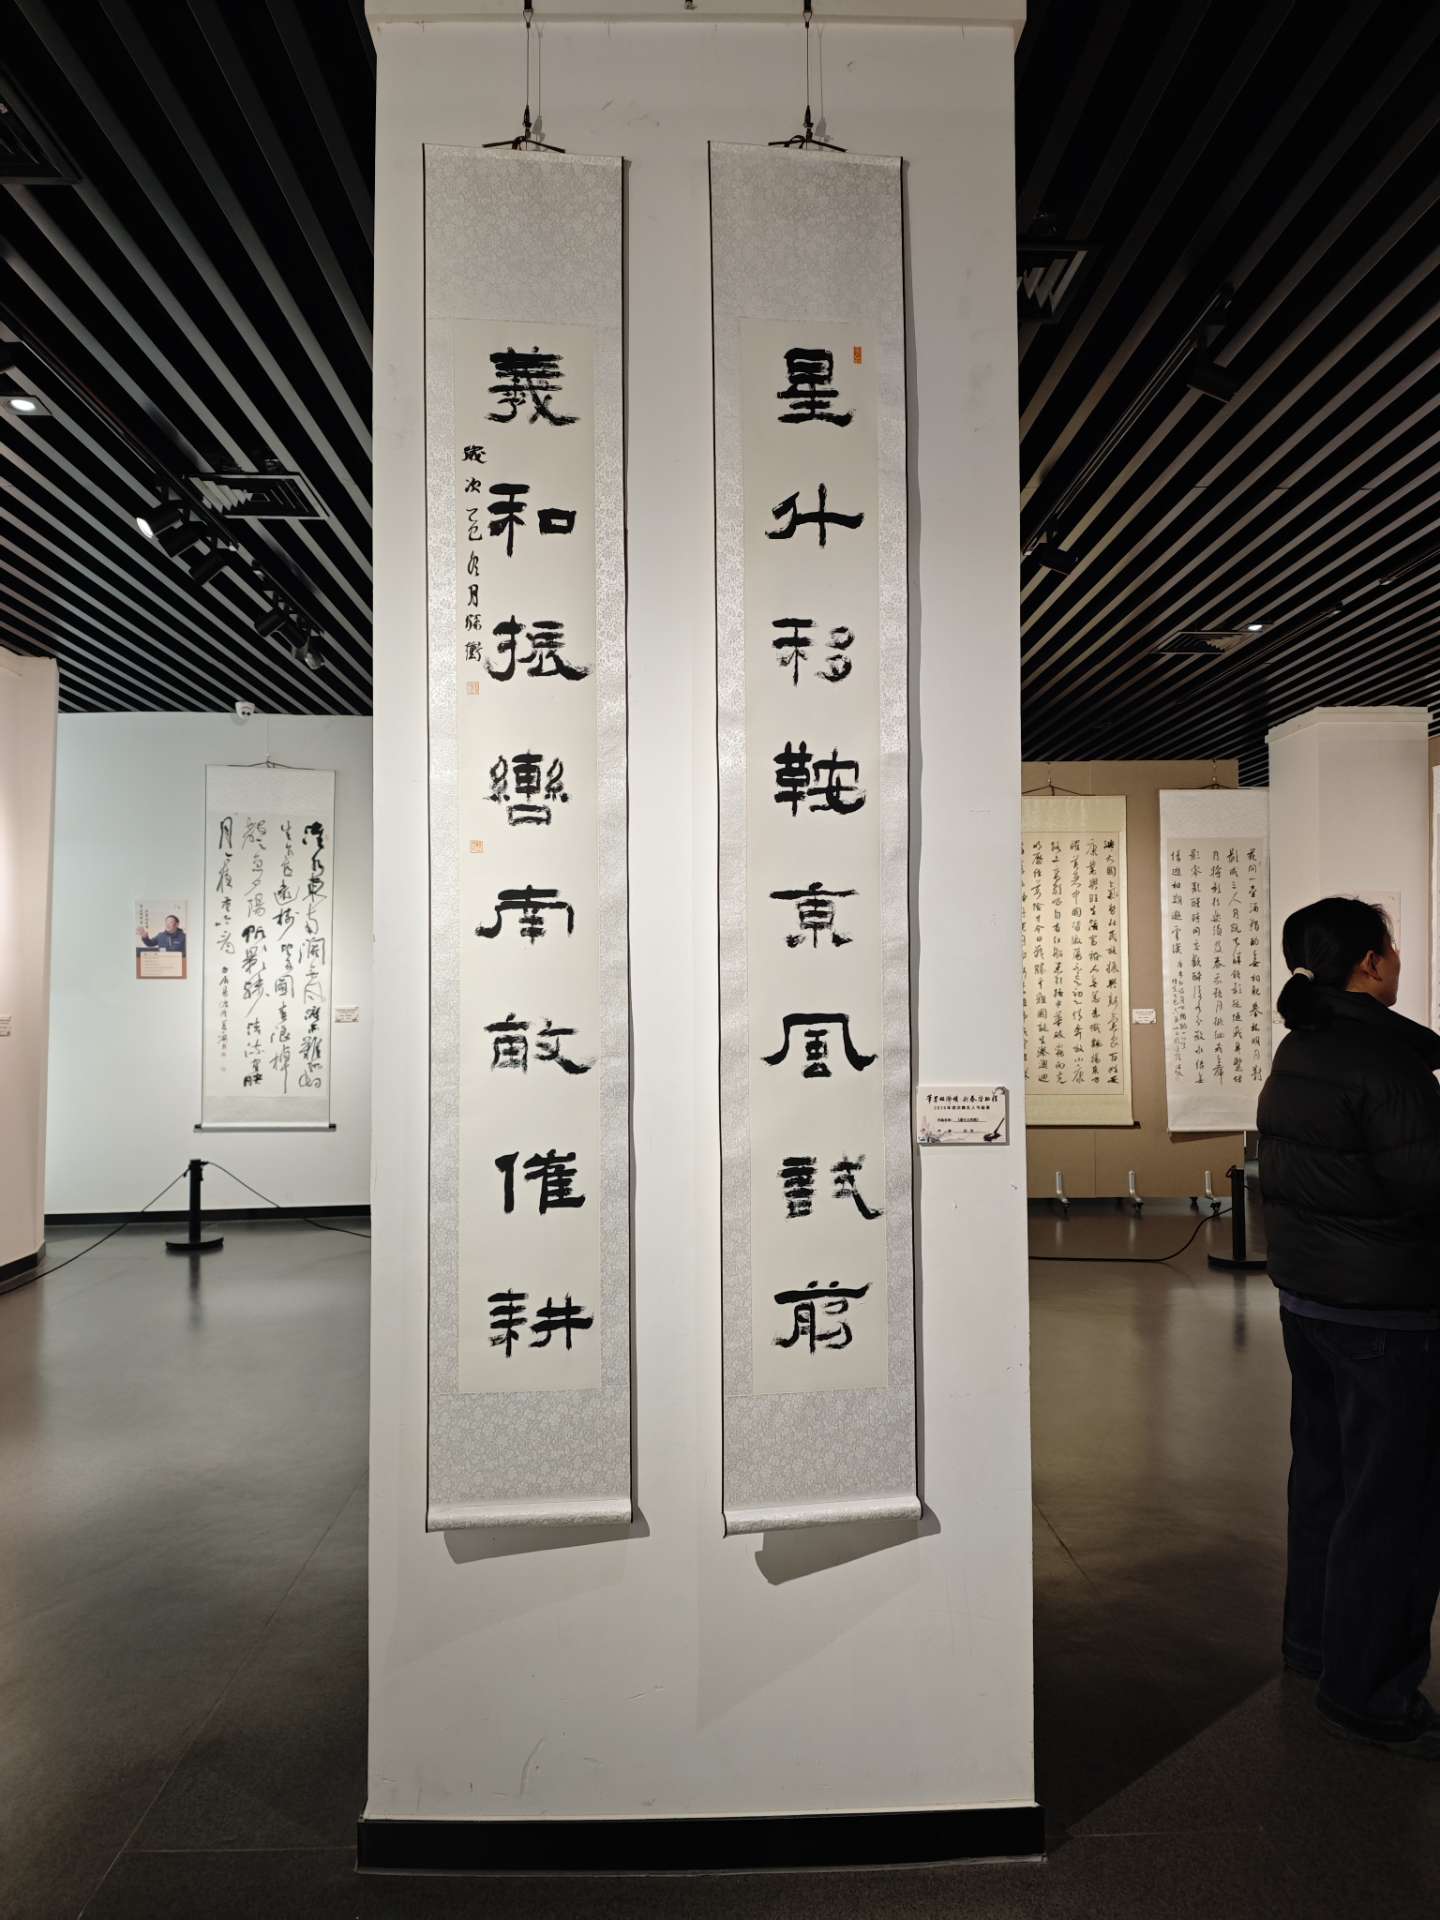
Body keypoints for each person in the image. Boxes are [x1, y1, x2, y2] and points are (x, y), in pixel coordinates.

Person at [1258, 896, 1440, 1759]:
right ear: (1370, 963)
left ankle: (1315, 1646)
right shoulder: (1386, 1063)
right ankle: (1368, 1693)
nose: (1398, 960)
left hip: (1311, 1305)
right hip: (1389, 1317)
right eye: (1391, 949)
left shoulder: (1302, 1047)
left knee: (1326, 1483)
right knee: (1393, 1504)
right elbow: (1427, 1189)